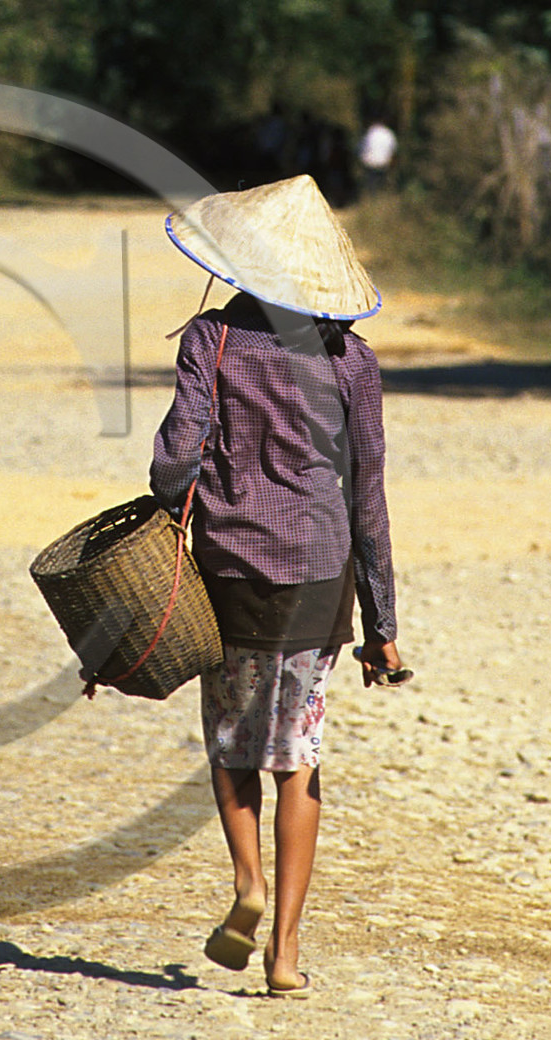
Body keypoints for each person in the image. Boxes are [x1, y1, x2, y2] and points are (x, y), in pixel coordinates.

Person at [152, 175, 406, 997]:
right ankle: (286, 954)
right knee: (298, 756)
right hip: (320, 575)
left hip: (229, 571)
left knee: (233, 739)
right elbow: (368, 496)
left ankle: (247, 884)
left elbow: (175, 461)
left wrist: (178, 492)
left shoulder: (214, 339)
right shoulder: (352, 361)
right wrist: (382, 623)